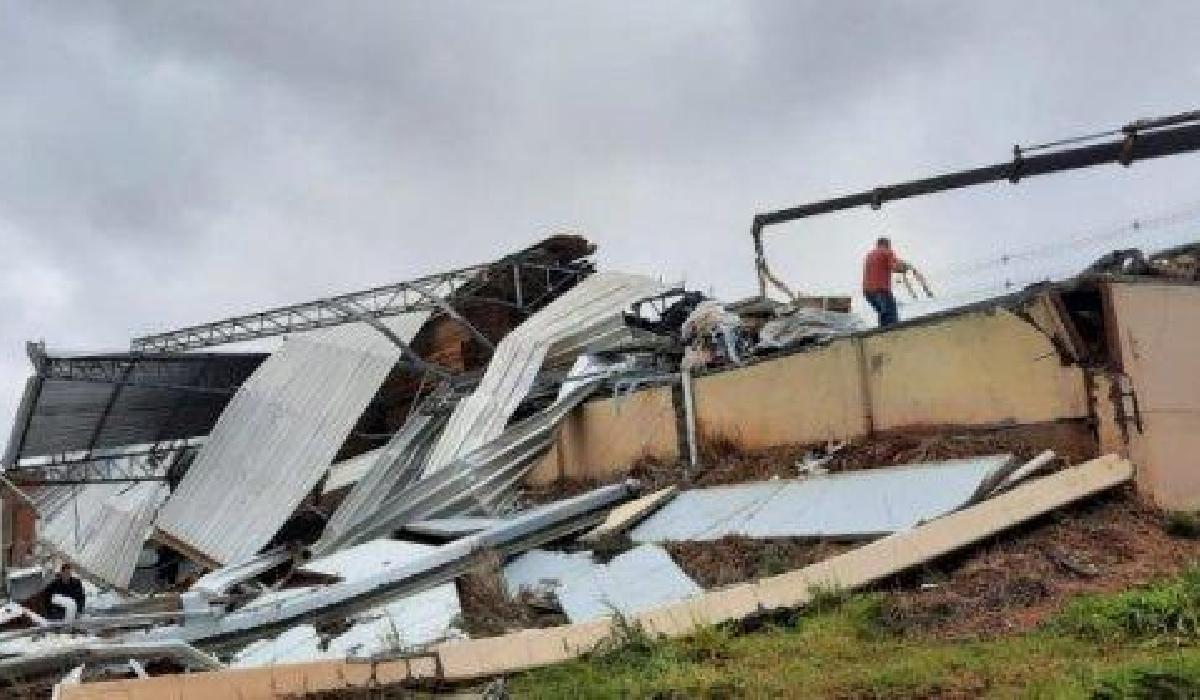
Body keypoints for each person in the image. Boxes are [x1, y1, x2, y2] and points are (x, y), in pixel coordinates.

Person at [862, 237, 910, 328]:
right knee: (891, 318)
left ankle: (883, 335)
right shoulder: (887, 252)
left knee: (883, 315)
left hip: (868, 292)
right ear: (887, 244)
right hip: (881, 290)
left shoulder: (870, 255)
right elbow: (896, 267)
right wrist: (904, 267)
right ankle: (892, 338)